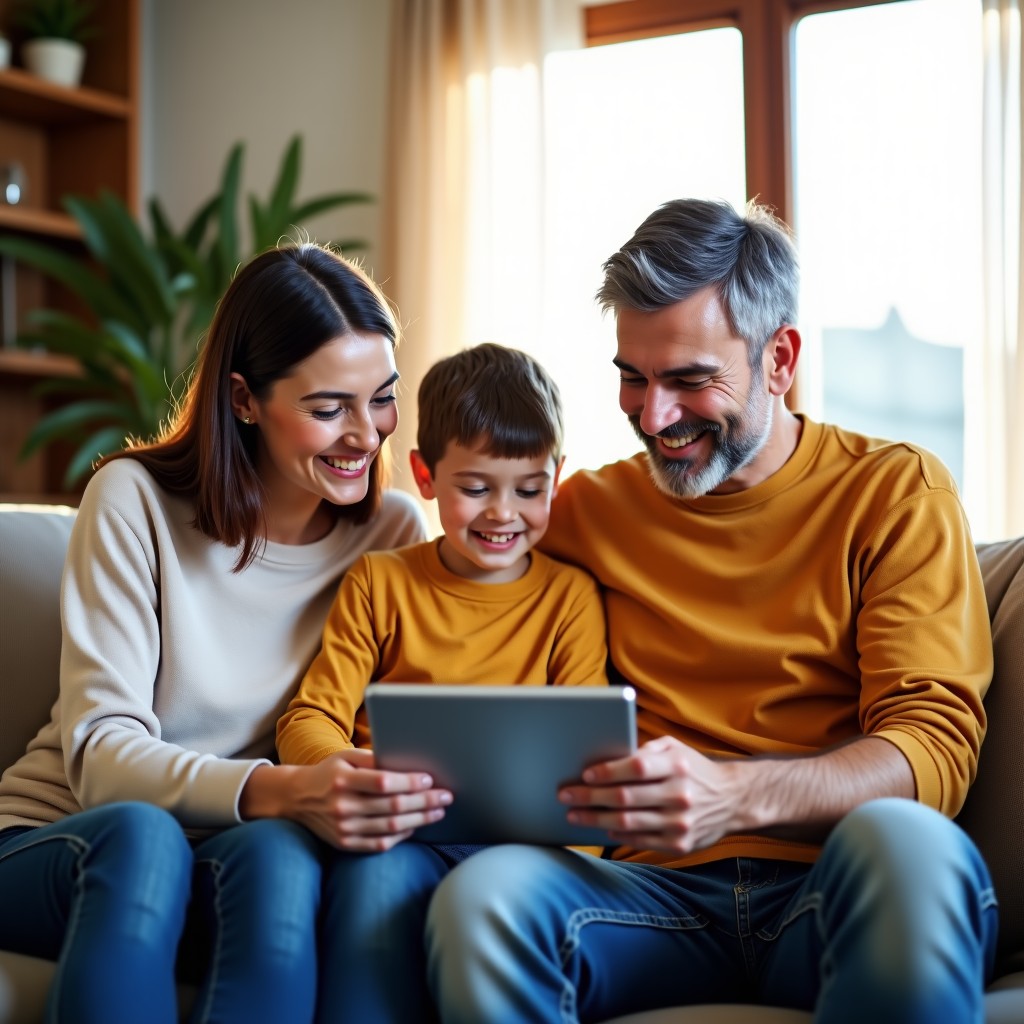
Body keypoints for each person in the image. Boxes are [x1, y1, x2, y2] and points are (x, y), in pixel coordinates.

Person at [424, 199, 1000, 1024]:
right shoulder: (582, 512)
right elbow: (443, 594)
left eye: (690, 380)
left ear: (779, 359)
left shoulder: (895, 494)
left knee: (912, 847)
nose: (654, 416)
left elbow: (931, 751)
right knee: (484, 897)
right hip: (645, 897)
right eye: (633, 376)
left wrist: (737, 794)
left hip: (833, 883)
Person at [0, 243, 443, 1024]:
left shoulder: (392, 533)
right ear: (244, 399)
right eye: (328, 408)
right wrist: (287, 790)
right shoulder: (134, 501)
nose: (366, 435)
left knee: (280, 856)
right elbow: (101, 755)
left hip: (235, 848)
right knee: (145, 841)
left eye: (381, 398)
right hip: (65, 839)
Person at [276, 341, 609, 1022]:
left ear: (557, 478)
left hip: (523, 852)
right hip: (396, 837)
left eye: (529, 490)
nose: (503, 513)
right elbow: (310, 718)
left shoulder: (569, 598)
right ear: (426, 477)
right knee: (372, 889)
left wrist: (570, 857)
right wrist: (348, 774)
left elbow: (590, 753)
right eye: (475, 488)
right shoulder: (382, 582)